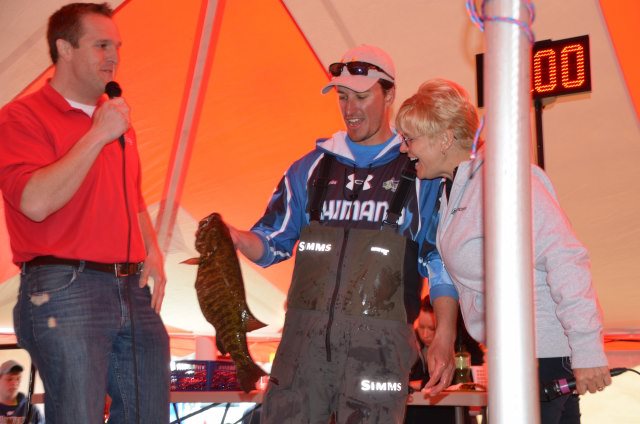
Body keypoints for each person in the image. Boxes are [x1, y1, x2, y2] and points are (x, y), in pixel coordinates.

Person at [228, 45, 459, 423]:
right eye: (342, 96)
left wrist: (445, 335)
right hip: (301, 349)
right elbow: (271, 243)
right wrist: (236, 238)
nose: (350, 109)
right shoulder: (308, 168)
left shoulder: (420, 169)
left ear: (389, 95)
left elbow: (439, 261)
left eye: (362, 97)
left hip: (381, 352)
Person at [396, 78, 611, 423]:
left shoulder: (504, 179)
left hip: (539, 353)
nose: (404, 148)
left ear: (445, 139)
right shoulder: (454, 191)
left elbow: (565, 257)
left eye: (410, 139)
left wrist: (587, 348)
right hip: (516, 354)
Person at [0, 3, 169, 423]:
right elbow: (34, 202)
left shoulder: (115, 120)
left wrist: (152, 249)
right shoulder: (21, 117)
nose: (114, 57)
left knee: (149, 413)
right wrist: (96, 136)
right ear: (64, 48)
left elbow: (131, 195)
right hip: (65, 286)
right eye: (101, 45)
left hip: (131, 286)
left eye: (117, 46)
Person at [404, 295, 484, 424]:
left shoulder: (464, 344)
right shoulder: (410, 342)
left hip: (450, 415)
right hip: (415, 415)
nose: (425, 334)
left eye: (432, 328)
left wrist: (417, 384)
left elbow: (469, 379)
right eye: (421, 327)